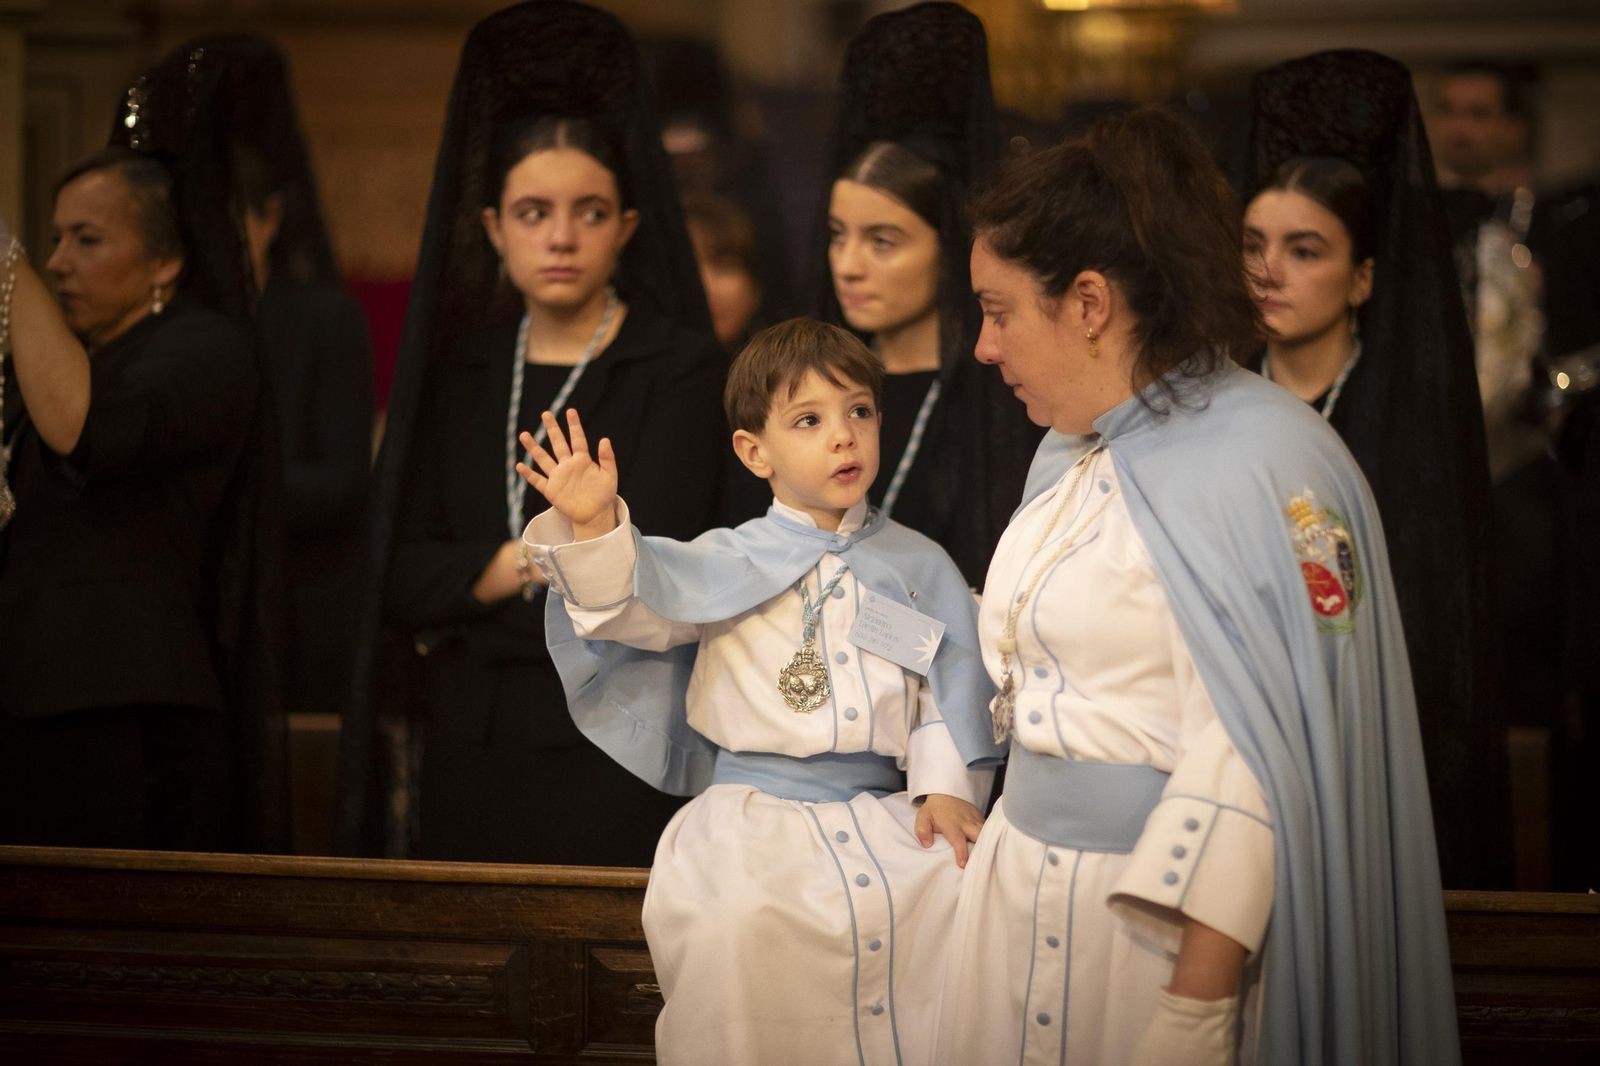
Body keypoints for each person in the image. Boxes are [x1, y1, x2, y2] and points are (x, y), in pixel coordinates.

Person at [935, 109, 1457, 1065]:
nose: (983, 347)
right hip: (1016, 911)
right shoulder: (1074, 453)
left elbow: (1254, 757)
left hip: (1149, 941)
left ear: (1089, 302)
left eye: (999, 309)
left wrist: (1194, 1011)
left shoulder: (1263, 462)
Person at [521, 317, 1001, 1066]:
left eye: (860, 412)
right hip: (753, 826)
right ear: (755, 451)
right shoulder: (726, 560)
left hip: (890, 818)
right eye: (809, 420)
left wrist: (946, 789)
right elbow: (628, 609)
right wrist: (592, 525)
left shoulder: (920, 564)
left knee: (954, 907)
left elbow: (948, 689)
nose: (843, 437)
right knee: (743, 936)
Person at [334, 1, 726, 864]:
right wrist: (541, 562)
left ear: (627, 228)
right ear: (492, 229)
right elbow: (398, 576)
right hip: (474, 739)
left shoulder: (681, 369)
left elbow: (665, 570)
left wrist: (487, 579)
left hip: (622, 739)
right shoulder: (460, 372)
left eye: (589, 212)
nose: (560, 236)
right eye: (533, 212)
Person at [0, 45, 288, 851]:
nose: (57, 261)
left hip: (124, 716)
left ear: (166, 259)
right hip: (31, 698)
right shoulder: (81, 353)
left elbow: (85, 432)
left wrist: (6, 264)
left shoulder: (209, 348)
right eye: (51, 239)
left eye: (85, 239)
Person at [1244, 49, 1509, 888]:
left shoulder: (1408, 429)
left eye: (1304, 250)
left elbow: (1435, 646)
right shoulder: (1211, 409)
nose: (1268, 271)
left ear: (1362, 278)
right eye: (1252, 244)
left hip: (1364, 772)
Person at [808, 1, 1041, 586]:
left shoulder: (1002, 398)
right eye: (837, 236)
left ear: (950, 249)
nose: (849, 266)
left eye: (883, 241)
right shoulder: (807, 389)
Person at [199, 33, 376, 726]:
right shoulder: (182, 326)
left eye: (231, 220)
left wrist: (218, 480)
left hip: (307, 599)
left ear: (269, 218)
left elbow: (342, 480)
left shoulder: (325, 317)